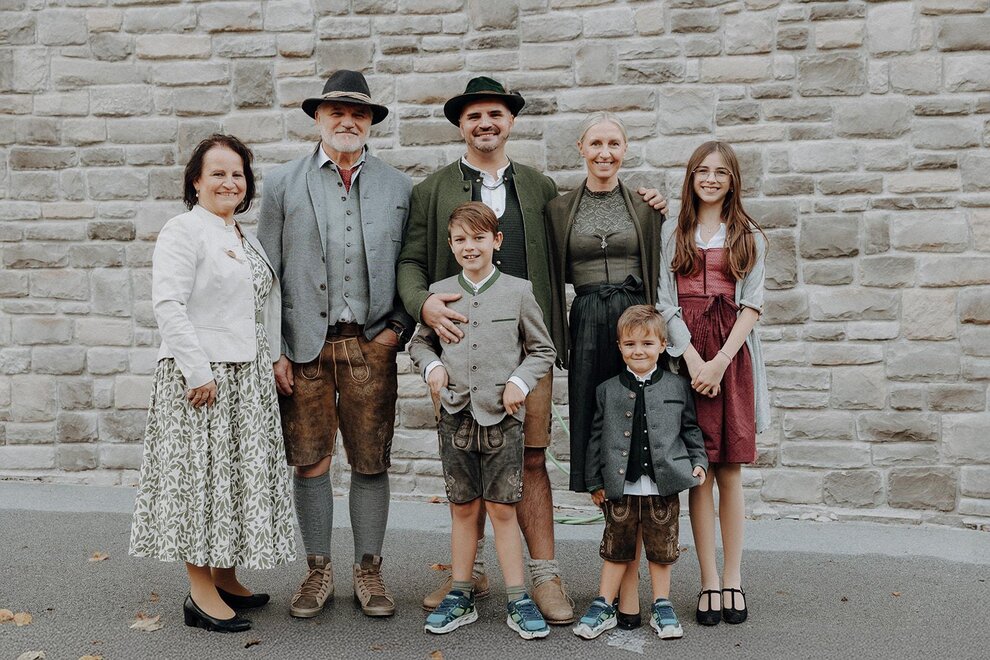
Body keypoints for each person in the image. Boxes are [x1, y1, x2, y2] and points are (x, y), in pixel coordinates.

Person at [397, 76, 666, 624]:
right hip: (462, 347)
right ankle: (469, 574)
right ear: (461, 125)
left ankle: (544, 575)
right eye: (474, 116)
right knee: (468, 461)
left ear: (511, 121)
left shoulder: (539, 187)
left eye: (495, 113)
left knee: (533, 458)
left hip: (526, 350)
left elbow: (588, 223)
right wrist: (424, 306)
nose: (485, 123)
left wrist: (648, 205)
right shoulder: (433, 190)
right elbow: (410, 262)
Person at [256, 70, 414, 619]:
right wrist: (274, 348)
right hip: (304, 346)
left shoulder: (399, 187)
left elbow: (412, 263)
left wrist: (397, 330)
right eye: (337, 112)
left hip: (370, 344)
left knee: (371, 461)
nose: (348, 121)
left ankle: (369, 568)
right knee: (310, 461)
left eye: (359, 113)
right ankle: (317, 567)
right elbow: (267, 273)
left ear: (370, 122)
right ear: (318, 118)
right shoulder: (282, 183)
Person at [129, 134, 294, 633]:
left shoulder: (243, 235)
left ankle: (225, 576)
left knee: (233, 478)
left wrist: (276, 357)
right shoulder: (184, 230)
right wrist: (198, 372)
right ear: (196, 181)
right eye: (218, 173)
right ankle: (200, 594)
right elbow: (168, 305)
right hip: (204, 378)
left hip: (248, 377)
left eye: (237, 173)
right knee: (202, 482)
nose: (229, 182)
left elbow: (263, 306)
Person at [409, 202, 557, 639]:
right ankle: (461, 593)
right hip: (455, 418)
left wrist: (518, 381)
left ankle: (518, 597)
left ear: (497, 240)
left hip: (502, 419)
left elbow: (542, 350)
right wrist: (433, 367)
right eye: (460, 239)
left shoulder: (518, 291)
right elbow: (419, 344)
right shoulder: (439, 292)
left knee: (502, 509)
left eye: (478, 238)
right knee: (463, 508)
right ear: (451, 244)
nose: (469, 246)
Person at [545, 112, 666, 627]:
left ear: (625, 149)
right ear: (581, 147)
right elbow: (549, 275)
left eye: (614, 143)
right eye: (596, 142)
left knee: (638, 429)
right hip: (589, 321)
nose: (605, 152)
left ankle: (628, 582)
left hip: (635, 320)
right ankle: (619, 565)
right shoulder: (558, 209)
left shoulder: (645, 206)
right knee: (600, 433)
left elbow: (660, 263)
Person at [656, 140, 770, 627]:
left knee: (729, 471)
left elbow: (753, 305)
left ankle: (732, 578)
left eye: (720, 172)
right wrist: (692, 360)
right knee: (697, 470)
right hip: (686, 358)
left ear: (732, 180)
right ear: (691, 177)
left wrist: (720, 362)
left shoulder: (749, 235)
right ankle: (706, 580)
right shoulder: (671, 231)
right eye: (702, 170)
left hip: (731, 359)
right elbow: (665, 302)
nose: (710, 179)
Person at [574, 305, 707, 641]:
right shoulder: (607, 390)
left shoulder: (677, 387)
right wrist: (594, 481)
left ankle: (662, 605)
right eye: (630, 344)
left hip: (664, 488)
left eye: (647, 344)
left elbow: (690, 429)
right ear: (619, 346)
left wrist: (699, 461)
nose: (639, 351)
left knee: (662, 550)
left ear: (662, 345)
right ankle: (604, 604)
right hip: (621, 489)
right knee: (616, 548)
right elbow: (595, 438)